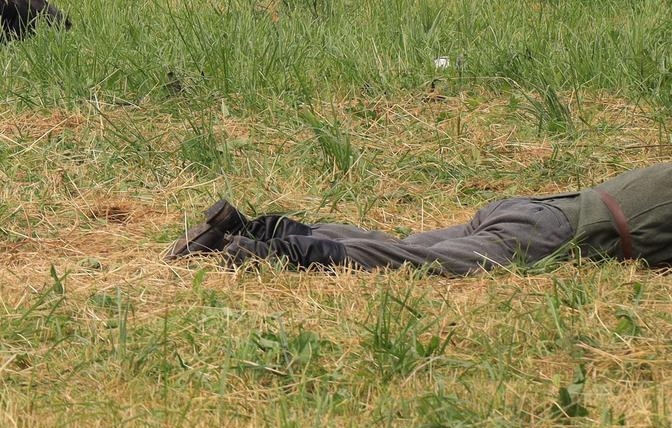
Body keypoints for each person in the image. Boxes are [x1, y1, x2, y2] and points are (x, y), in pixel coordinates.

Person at [168, 161, 672, 271]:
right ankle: (278, 253)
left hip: (529, 210)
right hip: (548, 233)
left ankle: (263, 228)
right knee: (417, 262)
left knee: (406, 242)